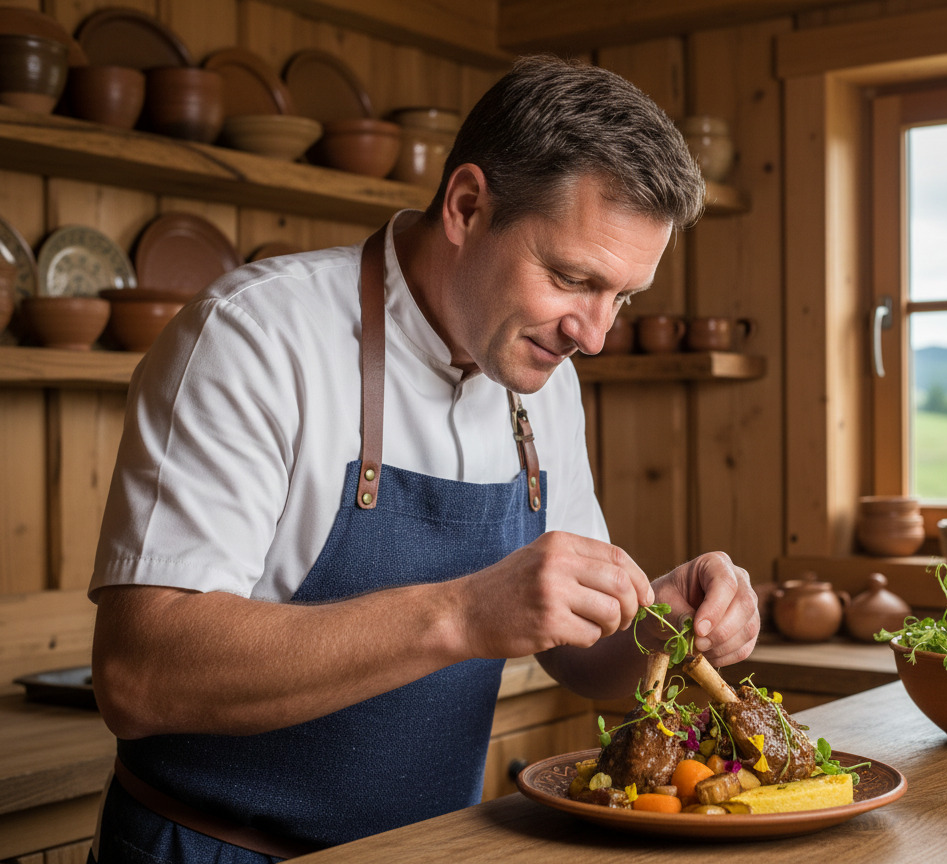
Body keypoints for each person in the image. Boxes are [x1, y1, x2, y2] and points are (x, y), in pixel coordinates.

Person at [87, 54, 758, 863]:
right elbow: (138, 675)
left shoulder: (544, 375)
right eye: (572, 278)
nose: (595, 333)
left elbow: (579, 657)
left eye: (623, 297)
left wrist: (657, 621)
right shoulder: (253, 337)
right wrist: (464, 613)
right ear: (468, 206)